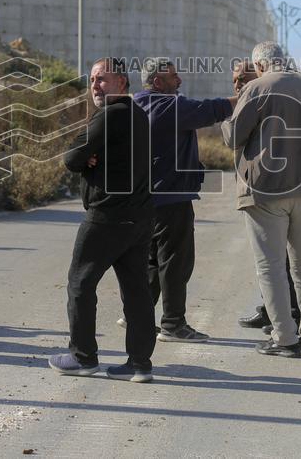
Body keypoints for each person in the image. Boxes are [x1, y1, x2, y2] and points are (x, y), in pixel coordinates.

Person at [222, 42, 301, 358]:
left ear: (260, 66)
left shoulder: (257, 88)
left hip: (267, 189)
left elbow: (233, 137)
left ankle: (285, 338)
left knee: (271, 265)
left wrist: (227, 118)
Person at [49, 58, 157, 383]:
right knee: (136, 290)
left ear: (122, 82)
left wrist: (87, 159)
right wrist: (92, 156)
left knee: (80, 284)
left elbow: (72, 157)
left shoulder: (111, 114)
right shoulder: (137, 114)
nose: (95, 85)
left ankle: (83, 357)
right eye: (93, 80)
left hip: (107, 217)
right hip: (139, 218)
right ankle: (140, 363)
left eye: (102, 79)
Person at [128, 58, 235, 342]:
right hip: (170, 199)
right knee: (176, 262)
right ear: (158, 82)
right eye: (174, 76)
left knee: (152, 261)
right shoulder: (168, 106)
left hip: (144, 198)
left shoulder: (136, 104)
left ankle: (135, 314)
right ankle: (173, 324)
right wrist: (250, 95)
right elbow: (212, 109)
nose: (180, 80)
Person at [231, 60, 301, 336]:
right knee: (273, 258)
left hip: (272, 191)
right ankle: (273, 311)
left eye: (243, 77)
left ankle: (286, 316)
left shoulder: (264, 99)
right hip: (261, 188)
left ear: (260, 73)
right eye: (235, 80)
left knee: (278, 259)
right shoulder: (251, 101)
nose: (238, 84)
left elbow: (234, 137)